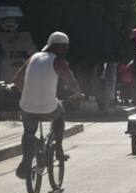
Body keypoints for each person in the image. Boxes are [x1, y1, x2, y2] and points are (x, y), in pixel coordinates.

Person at [12, 31, 84, 179]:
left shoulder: (33, 57)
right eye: (65, 48)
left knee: (28, 133)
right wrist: (78, 94)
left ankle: (27, 159)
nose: (66, 51)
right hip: (48, 107)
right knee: (60, 114)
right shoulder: (59, 62)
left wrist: (28, 93)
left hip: (26, 105)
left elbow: (17, 80)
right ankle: (58, 149)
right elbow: (71, 82)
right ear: (60, 47)